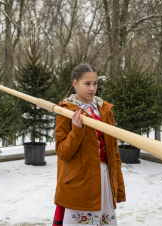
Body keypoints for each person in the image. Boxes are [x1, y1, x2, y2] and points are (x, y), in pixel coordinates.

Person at [53, 63, 125, 226]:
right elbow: (63, 152)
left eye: (95, 83)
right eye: (87, 83)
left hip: (105, 179)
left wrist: (118, 187)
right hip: (80, 181)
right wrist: (77, 130)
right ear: (75, 84)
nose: (92, 88)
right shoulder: (66, 111)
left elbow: (114, 152)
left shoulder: (105, 110)